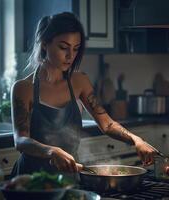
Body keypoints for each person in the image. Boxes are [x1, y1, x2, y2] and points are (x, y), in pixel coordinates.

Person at [11, 12, 156, 176]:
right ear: (44, 44)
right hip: (31, 178)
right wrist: (51, 151)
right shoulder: (24, 88)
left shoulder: (79, 81)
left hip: (69, 176)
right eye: (63, 47)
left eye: (76, 49)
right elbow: (20, 140)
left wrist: (136, 139)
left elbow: (107, 124)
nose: (70, 56)